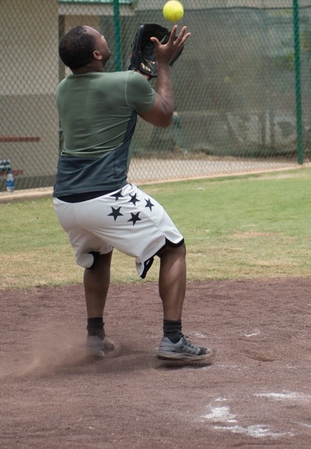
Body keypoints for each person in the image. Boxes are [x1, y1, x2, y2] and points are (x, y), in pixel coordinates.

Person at [52, 24, 212, 363]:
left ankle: (94, 338)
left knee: (97, 256)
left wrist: (140, 75)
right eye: (101, 38)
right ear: (97, 54)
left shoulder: (63, 88)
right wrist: (164, 65)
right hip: (105, 194)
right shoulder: (128, 83)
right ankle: (173, 339)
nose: (105, 38)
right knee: (173, 248)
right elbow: (164, 115)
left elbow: (118, 92)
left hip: (66, 200)